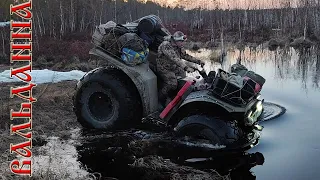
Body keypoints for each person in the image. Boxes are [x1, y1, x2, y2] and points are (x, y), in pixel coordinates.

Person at [156, 31, 205, 105]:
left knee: (183, 76)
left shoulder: (179, 46)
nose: (183, 44)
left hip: (173, 66)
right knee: (172, 83)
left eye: (183, 42)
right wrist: (186, 67)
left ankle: (177, 94)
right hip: (164, 68)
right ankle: (161, 98)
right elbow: (175, 58)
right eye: (181, 42)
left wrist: (198, 61)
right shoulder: (166, 45)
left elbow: (185, 56)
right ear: (176, 40)